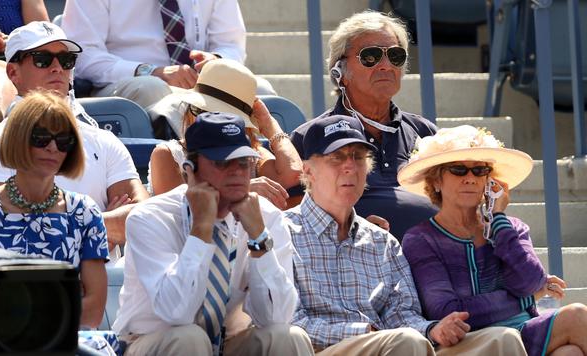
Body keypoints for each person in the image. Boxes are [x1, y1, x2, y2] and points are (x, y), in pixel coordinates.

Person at [286, 115, 527, 355]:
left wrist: (432, 330)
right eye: (336, 157)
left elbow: (402, 314)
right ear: (309, 171)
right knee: (406, 342)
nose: (349, 166)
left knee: (502, 339)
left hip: (393, 344)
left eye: (358, 157)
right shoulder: (282, 232)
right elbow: (289, 322)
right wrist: (365, 332)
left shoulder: (383, 242)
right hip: (320, 349)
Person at [113, 112, 313, 356]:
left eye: (243, 162)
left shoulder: (267, 217)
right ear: (190, 170)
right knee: (189, 338)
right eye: (222, 163)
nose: (237, 172)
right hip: (152, 342)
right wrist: (201, 229)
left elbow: (277, 317)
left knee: (287, 337)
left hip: (229, 343)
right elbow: (177, 312)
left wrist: (259, 239)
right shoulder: (150, 217)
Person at [0, 21, 149, 261]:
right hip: (24, 288)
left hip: (102, 287)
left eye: (66, 60)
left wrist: (49, 228)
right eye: (42, 59)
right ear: (13, 73)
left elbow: (142, 218)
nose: (57, 68)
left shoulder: (104, 140)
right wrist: (97, 227)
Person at [399, 125, 587, 356]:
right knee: (576, 315)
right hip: (471, 342)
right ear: (436, 181)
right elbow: (448, 311)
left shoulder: (510, 227)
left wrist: (498, 218)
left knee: (570, 352)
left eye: (479, 170)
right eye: (458, 170)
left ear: (489, 181)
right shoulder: (420, 238)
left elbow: (530, 282)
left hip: (524, 330)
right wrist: (526, 298)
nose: (470, 178)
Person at [0, 91, 108, 329]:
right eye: (41, 137)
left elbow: (94, 306)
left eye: (63, 141)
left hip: (70, 344)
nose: (52, 148)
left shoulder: (84, 212)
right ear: (18, 138)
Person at [290, 10, 438, 240]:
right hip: (355, 264)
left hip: (434, 260)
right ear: (340, 72)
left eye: (396, 56)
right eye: (371, 56)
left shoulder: (424, 132)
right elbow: (290, 208)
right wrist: (349, 224)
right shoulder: (310, 137)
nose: (386, 65)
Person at [61, 0, 275, 110]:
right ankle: (175, 168)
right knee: (151, 87)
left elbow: (231, 45)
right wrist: (150, 71)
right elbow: (82, 55)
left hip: (197, 80)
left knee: (260, 88)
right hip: (126, 81)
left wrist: (216, 61)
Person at [148, 59, 301, 209]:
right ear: (190, 111)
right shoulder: (168, 154)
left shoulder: (252, 154)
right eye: (201, 111)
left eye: (225, 116)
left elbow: (293, 174)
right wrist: (241, 192)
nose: (212, 122)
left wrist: (270, 125)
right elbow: (178, 214)